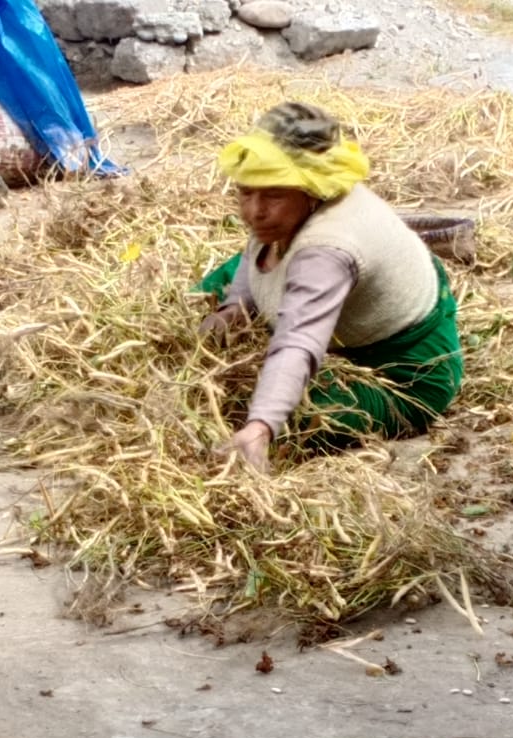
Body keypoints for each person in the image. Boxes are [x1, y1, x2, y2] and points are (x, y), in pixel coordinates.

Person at [199, 102, 464, 473]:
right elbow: (254, 249)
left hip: (404, 375)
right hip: (344, 293)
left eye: (273, 195)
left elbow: (298, 342)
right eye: (246, 192)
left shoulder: (327, 250)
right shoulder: (287, 213)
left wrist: (260, 427)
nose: (254, 211)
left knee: (302, 413)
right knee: (213, 287)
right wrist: (234, 307)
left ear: (312, 190)